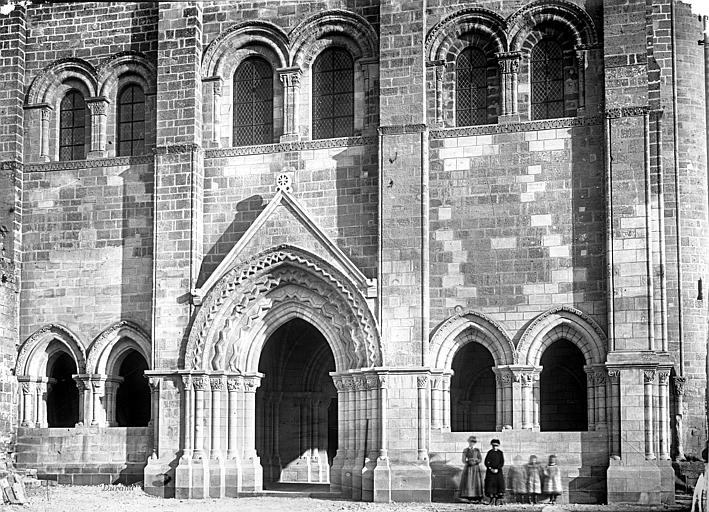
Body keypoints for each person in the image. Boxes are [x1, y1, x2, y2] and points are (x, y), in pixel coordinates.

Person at [458, 436, 484, 503]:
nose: (472, 443)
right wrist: (469, 462)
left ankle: (476, 496)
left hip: (475, 468)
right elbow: (463, 460)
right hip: (469, 468)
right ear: (468, 442)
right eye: (471, 442)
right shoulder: (465, 450)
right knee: (469, 481)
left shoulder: (477, 450)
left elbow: (480, 459)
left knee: (476, 481)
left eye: (473, 442)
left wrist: (476, 461)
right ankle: (469, 496)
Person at [484, 438, 505, 505]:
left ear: (498, 445)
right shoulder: (490, 452)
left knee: (498, 485)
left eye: (496, 445)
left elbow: (502, 462)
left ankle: (497, 500)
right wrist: (490, 468)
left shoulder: (500, 453)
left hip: (498, 472)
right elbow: (486, 462)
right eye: (493, 445)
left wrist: (497, 469)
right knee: (490, 485)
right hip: (490, 472)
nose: (495, 447)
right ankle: (491, 499)